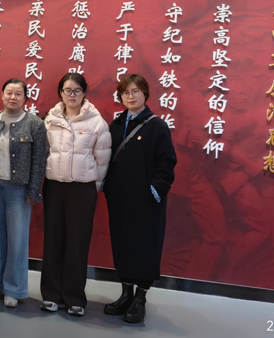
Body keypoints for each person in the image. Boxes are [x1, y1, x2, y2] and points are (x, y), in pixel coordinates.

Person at [103, 74, 176, 323]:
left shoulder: (157, 126)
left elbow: (167, 162)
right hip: (119, 197)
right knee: (122, 243)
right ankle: (126, 294)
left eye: (135, 91)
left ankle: (140, 298)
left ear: (145, 94)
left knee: (144, 245)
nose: (130, 96)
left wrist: (154, 190)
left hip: (146, 200)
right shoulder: (115, 124)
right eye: (125, 93)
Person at [40, 73, 111, 317]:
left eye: (77, 90)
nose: (72, 95)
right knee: (53, 240)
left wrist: (92, 188)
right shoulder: (50, 120)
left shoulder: (97, 123)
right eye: (67, 90)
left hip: (82, 191)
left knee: (77, 243)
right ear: (60, 93)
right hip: (54, 187)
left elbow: (102, 160)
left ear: (84, 93)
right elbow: (43, 153)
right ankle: (51, 295)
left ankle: (74, 298)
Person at [0, 79, 46, 308]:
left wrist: (33, 190)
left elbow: (39, 160)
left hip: (18, 191)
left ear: (25, 98)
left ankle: (13, 289)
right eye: (9, 92)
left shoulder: (35, 124)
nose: (13, 97)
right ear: (1, 95)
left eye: (18, 93)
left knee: (17, 241)